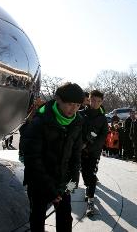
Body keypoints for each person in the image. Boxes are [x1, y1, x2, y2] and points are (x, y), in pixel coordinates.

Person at [22, 82, 84, 232]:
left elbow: (75, 155)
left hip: (63, 183)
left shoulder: (78, 121)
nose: (73, 109)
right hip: (39, 182)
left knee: (65, 218)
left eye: (77, 105)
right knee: (37, 217)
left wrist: (71, 184)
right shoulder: (40, 121)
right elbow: (32, 159)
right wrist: (51, 190)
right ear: (58, 99)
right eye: (69, 104)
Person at [80, 90, 108, 216]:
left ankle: (90, 200)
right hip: (79, 151)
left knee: (91, 174)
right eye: (93, 100)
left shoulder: (102, 118)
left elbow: (102, 137)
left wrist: (88, 146)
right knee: (82, 173)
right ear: (88, 100)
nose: (95, 103)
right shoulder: (80, 114)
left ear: (101, 102)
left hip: (93, 152)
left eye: (98, 101)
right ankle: (80, 189)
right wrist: (80, 144)